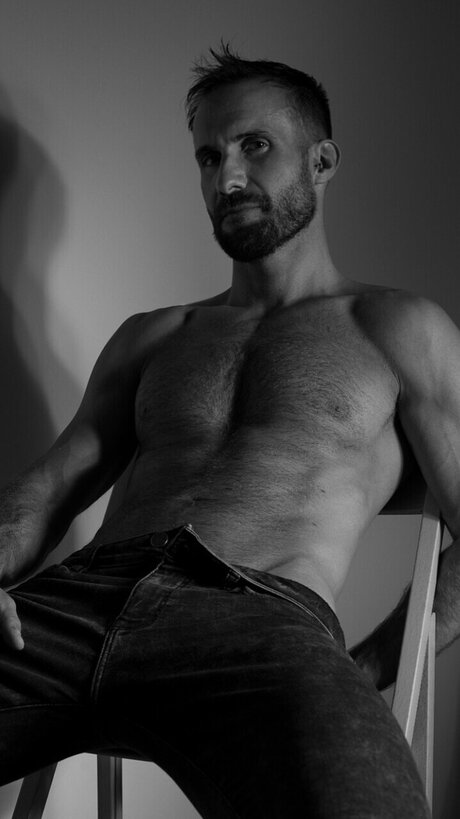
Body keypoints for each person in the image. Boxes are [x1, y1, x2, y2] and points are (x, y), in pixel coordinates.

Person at [0, 44, 457, 818]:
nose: (228, 179)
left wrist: (367, 666)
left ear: (321, 160)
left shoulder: (396, 327)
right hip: (70, 610)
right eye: (209, 157)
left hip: (258, 621)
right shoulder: (154, 335)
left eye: (254, 146)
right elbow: (46, 490)